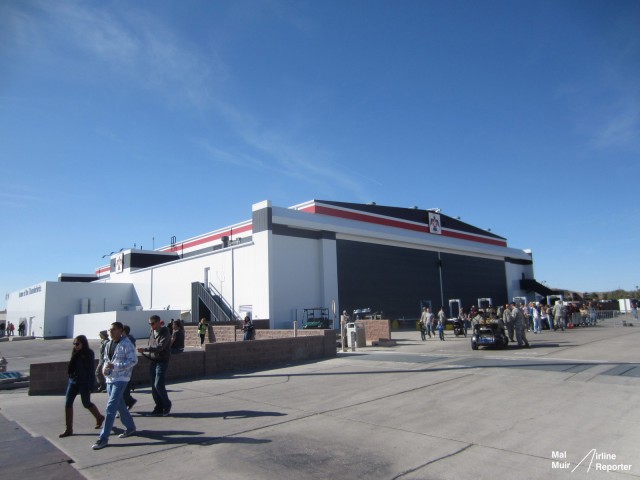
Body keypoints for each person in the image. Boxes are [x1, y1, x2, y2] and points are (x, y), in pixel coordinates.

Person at [92, 322, 138, 450]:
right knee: (120, 405)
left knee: (111, 407)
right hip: (110, 378)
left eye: (113, 330)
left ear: (120, 330)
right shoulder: (108, 344)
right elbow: (106, 360)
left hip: (121, 378)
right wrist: (105, 370)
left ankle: (103, 438)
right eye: (110, 330)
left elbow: (133, 360)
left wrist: (116, 367)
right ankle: (130, 427)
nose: (110, 332)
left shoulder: (126, 344)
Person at [59, 335, 105, 438]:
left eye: (78, 344)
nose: (76, 346)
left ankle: (99, 417)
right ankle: (69, 429)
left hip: (83, 382)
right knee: (68, 403)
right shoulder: (75, 353)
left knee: (86, 403)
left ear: (83, 343)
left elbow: (90, 370)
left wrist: (91, 385)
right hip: (73, 381)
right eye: (74, 344)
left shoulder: (88, 353)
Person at [138, 315, 172, 416]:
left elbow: (160, 347)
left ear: (158, 323)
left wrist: (145, 350)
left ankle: (167, 405)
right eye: (149, 323)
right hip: (153, 360)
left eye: (152, 323)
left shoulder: (165, 332)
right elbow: (150, 343)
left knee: (158, 384)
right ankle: (158, 407)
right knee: (153, 386)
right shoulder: (152, 331)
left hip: (162, 361)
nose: (151, 325)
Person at [122, 325, 137, 411]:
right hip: (122, 368)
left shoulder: (129, 341)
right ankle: (129, 401)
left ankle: (125, 404)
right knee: (123, 389)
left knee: (125, 388)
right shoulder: (122, 340)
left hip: (127, 367)